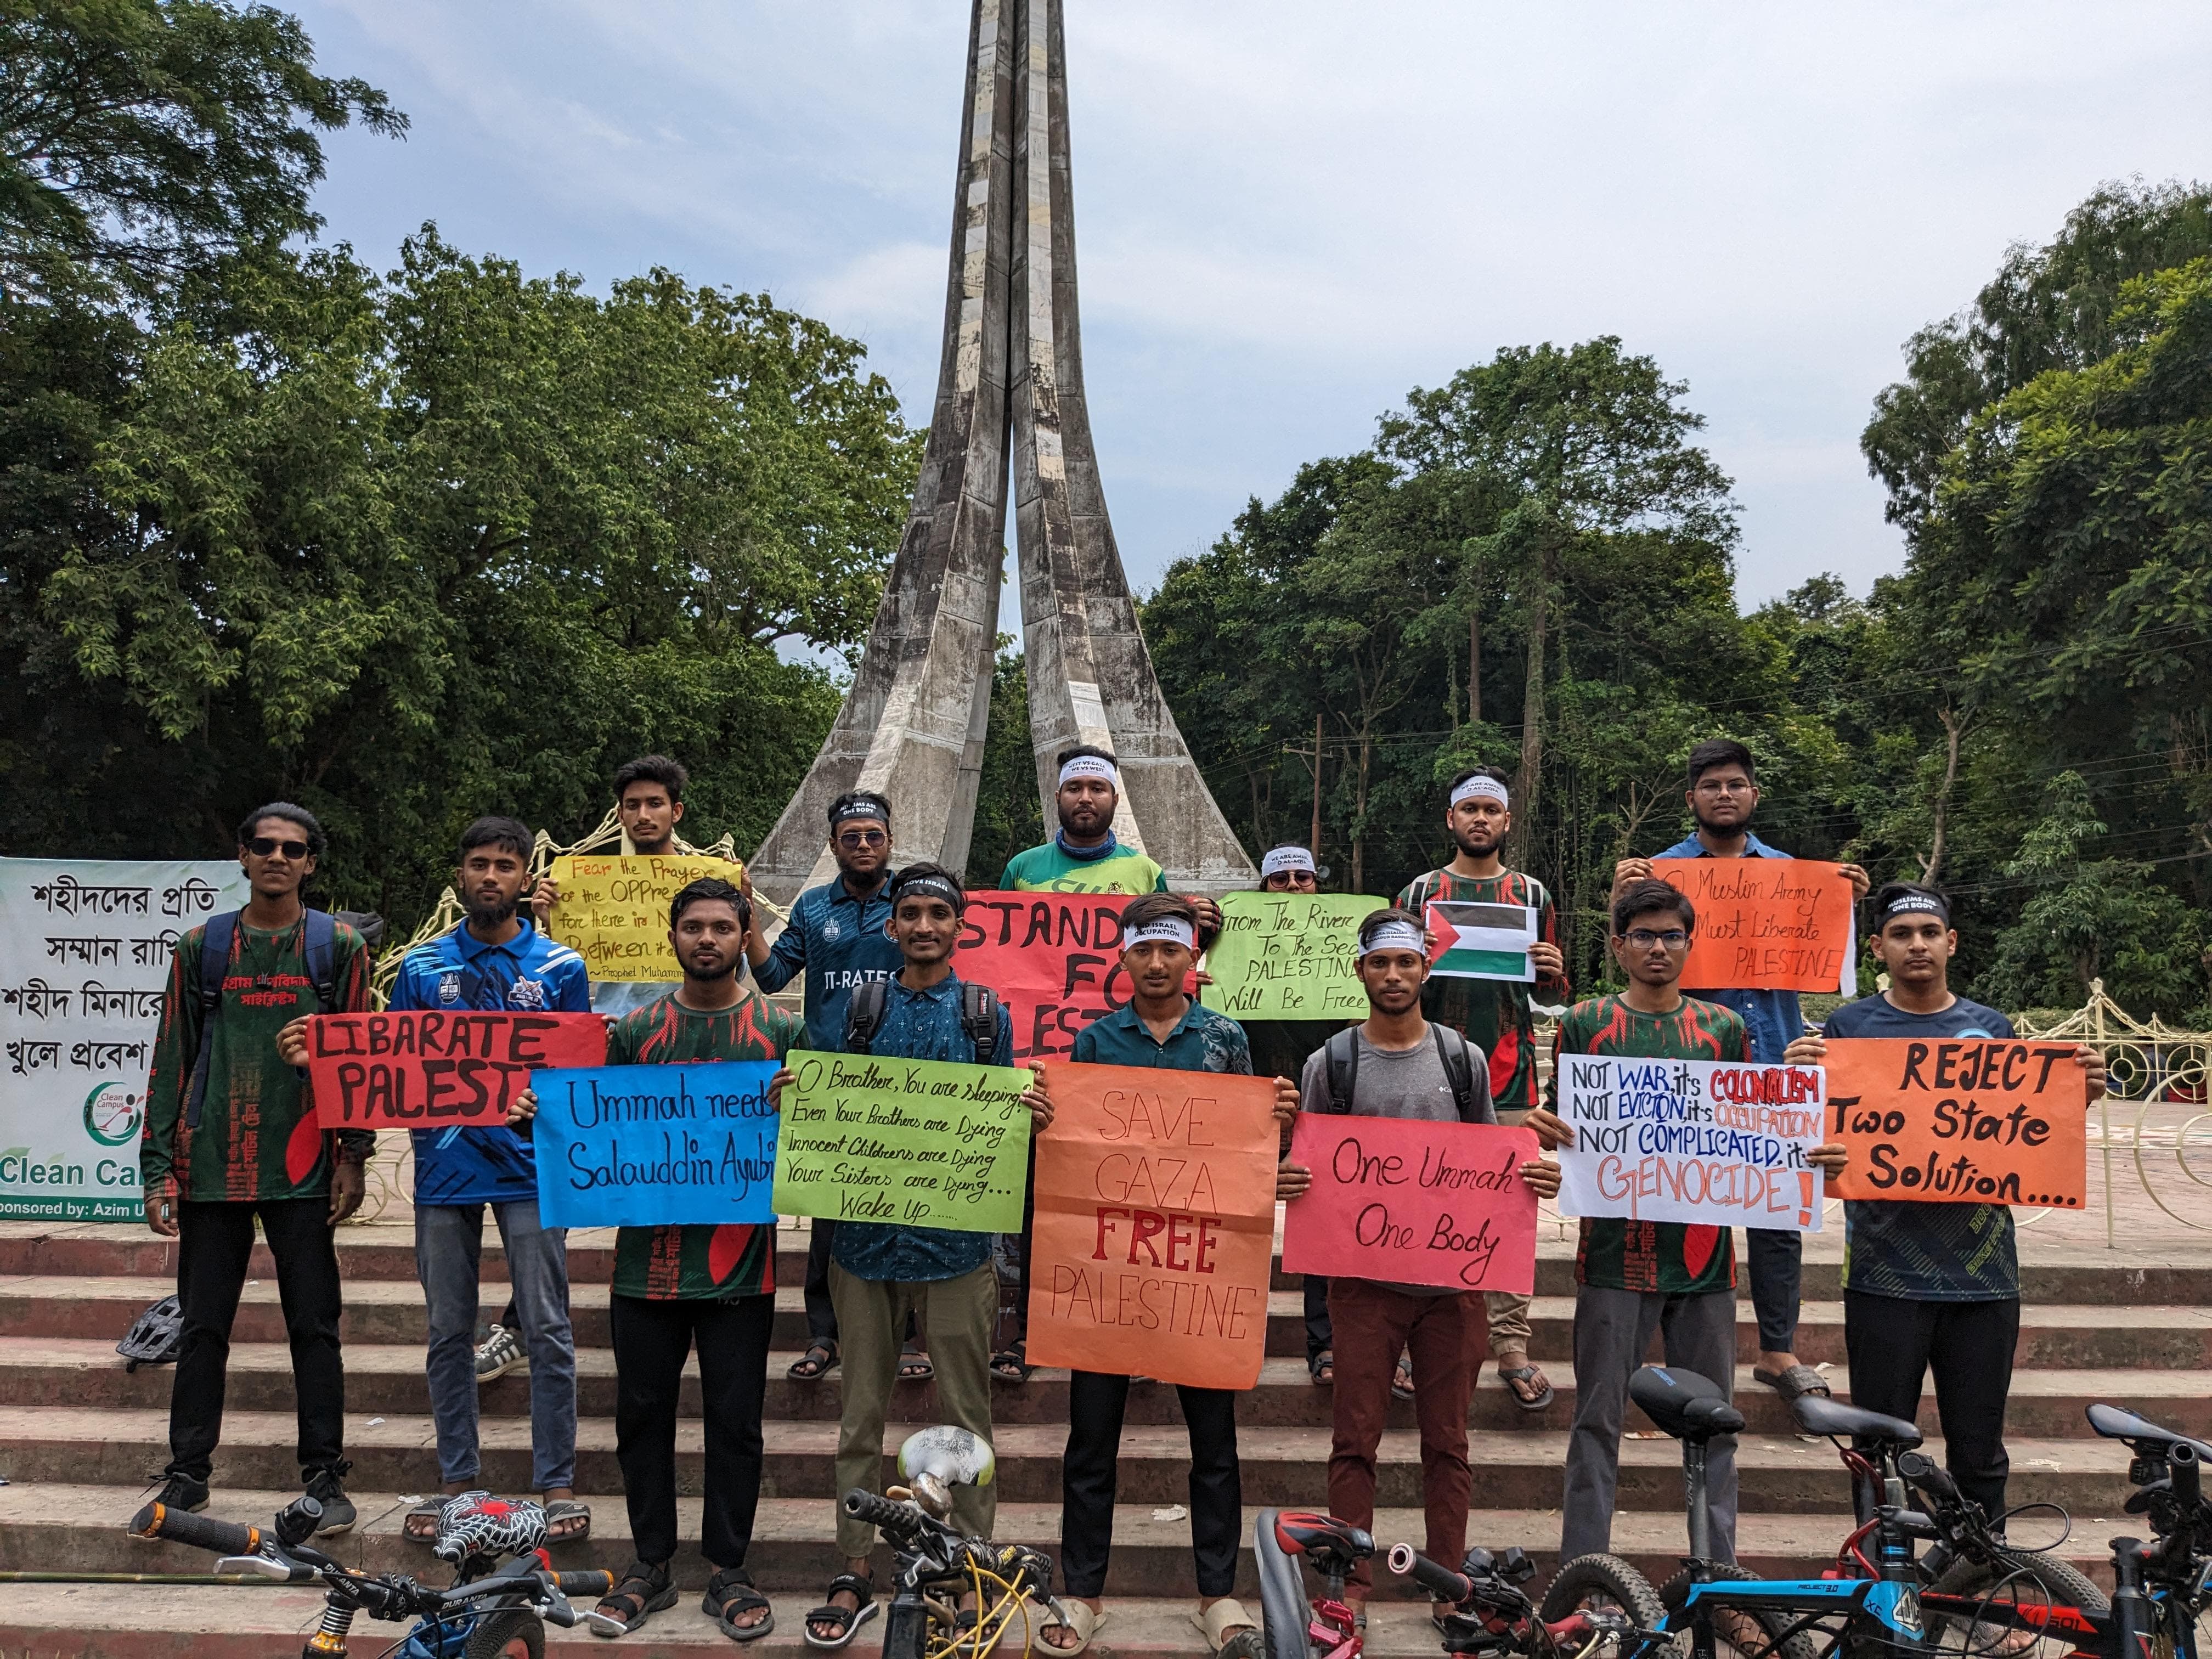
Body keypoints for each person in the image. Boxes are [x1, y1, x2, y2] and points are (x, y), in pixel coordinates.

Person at [1528, 878, 1849, 1563]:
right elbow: (1565, 1120)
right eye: (1643, 935)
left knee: (1714, 1426)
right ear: (1618, 946)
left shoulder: (1724, 1030)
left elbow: (1746, 1131)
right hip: (1614, 1254)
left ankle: (1717, 1575)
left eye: (1672, 935)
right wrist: (1547, 1133)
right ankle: (1584, 1574)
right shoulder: (1584, 1024)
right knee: (1596, 1421)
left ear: (1690, 945)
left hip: (1704, 1260)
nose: (1658, 948)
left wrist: (1803, 1137)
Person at [509, 877, 788, 1639]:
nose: (707, 940)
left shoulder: (779, 1034)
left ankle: (730, 1569)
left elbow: (814, 1147)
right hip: (645, 1269)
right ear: (672, 939)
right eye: (693, 927)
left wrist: (804, 1107)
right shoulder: (635, 1032)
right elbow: (594, 1122)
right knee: (641, 1420)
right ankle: (650, 1567)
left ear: (743, 935)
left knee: (737, 1424)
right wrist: (545, 1111)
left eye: (722, 928)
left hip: (740, 1269)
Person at [789, 862, 1053, 1650]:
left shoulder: (984, 1012)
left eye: (940, 912)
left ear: (959, 926)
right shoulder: (855, 1008)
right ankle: (855, 1563)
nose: (926, 925)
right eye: (912, 913)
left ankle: (969, 1560)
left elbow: (1000, 1115)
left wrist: (1027, 1115)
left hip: (959, 1249)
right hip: (865, 1248)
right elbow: (827, 1098)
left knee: (967, 1418)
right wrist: (794, 1096)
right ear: (893, 927)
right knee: (858, 1419)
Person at [1783, 883, 2107, 1523]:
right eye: (1902, 935)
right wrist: (1800, 1088)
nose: (1918, 945)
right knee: (1878, 1446)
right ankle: (1879, 1590)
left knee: (1980, 1450)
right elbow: (1807, 1142)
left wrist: (2076, 1099)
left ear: (1951, 943)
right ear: (1879, 948)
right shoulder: (1845, 1030)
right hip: (1884, 1272)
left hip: (1983, 1276)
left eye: (1930, 933)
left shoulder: (1992, 1030)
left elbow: (2019, 1132)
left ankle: (1980, 1586)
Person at [1041, 894, 1306, 1659]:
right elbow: (1069, 1149)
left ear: (1193, 959)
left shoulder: (1225, 1040)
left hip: (1201, 1276)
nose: (1157, 965)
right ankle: (1083, 1592)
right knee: (1090, 1444)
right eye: (1142, 951)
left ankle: (1217, 1595)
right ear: (1122, 959)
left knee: (1214, 1447)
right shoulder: (1092, 1043)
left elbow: (1249, 1156)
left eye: (1171, 951)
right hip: (1108, 1272)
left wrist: (1276, 1122)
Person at [1297, 907, 1561, 1611]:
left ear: (1424, 969)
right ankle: (1345, 1587)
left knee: (1449, 1443)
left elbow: (1488, 1168)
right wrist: (1290, 1179)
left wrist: (1531, 1177)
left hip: (1451, 1288)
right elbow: (1311, 1167)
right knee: (1354, 1439)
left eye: (1406, 962)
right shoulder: (1332, 1063)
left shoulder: (1461, 1059)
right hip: (1361, 1290)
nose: (1393, 975)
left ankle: (1449, 1587)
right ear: (1360, 972)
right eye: (1379, 963)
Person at [1612, 737, 1870, 1403]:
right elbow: (1634, 956)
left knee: (1779, 1213)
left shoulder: (1796, 874)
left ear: (1754, 795)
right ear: (1691, 798)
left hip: (1776, 1056)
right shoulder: (1657, 875)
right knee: (1675, 1200)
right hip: (1686, 1062)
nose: (1724, 795)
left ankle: (1778, 1351)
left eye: (1735, 784)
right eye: (1711, 786)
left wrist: (1847, 905)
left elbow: (1831, 966)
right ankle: (1668, 1347)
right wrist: (1624, 895)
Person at [144, 804, 373, 1532]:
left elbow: (360, 1059)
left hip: (304, 1168)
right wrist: (159, 1169)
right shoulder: (202, 948)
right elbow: (171, 1058)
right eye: (264, 846)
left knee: (315, 1324)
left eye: (294, 849)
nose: (278, 857)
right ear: (243, 856)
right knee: (203, 1327)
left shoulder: (336, 947)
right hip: (212, 1166)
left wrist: (354, 1155)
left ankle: (326, 1479)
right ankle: (187, 1475)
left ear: (311, 863)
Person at [386, 816, 593, 1545]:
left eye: (505, 865)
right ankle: (458, 1483)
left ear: (521, 876)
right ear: (461, 875)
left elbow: (578, 1073)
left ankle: (557, 1482)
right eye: (479, 864)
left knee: (547, 1327)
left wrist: (550, 1097)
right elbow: (390, 1069)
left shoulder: (562, 966)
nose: (491, 877)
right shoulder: (418, 970)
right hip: (444, 1169)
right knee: (448, 1329)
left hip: (533, 1171)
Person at [992, 746, 1220, 1381]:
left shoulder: (1144, 871)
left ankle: (1141, 1330)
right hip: (1045, 1067)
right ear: (1058, 799)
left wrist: (1212, 925)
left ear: (1114, 799)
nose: (1086, 798)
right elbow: (1001, 958)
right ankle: (1027, 1333)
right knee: (1046, 1205)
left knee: (1139, 1205)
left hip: (1137, 1067)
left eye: (1097, 787)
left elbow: (1171, 944)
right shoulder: (1023, 868)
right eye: (1075, 789)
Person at [488, 756, 698, 1383]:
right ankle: (521, 1321)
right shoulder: (581, 883)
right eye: (632, 805)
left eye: (655, 804)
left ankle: (680, 1313)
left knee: (678, 1175)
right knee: (562, 1180)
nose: (643, 815)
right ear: (620, 813)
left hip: (673, 1052)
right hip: (596, 1048)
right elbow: (552, 969)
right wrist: (552, 923)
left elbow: (729, 968)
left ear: (676, 812)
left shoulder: (703, 883)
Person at [1395, 766, 1569, 1412]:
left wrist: (1552, 971)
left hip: (1512, 1072)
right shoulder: (1419, 893)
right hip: (1428, 1070)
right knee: (1421, 1203)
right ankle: (1414, 1337)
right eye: (1467, 809)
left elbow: (1552, 995)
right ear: (1450, 819)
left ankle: (1512, 1343)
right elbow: (1392, 978)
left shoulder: (1532, 893)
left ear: (1506, 822)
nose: (1479, 819)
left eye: (1489, 810)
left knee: (1509, 1212)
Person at [744, 789, 906, 1385]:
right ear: (833, 845)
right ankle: (825, 1332)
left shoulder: (912, 900)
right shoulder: (813, 908)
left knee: (904, 1203)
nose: (863, 845)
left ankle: (905, 1334)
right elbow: (772, 974)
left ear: (890, 840)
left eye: (874, 836)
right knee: (829, 1211)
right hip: (828, 1079)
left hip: (902, 1080)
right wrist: (745, 917)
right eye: (851, 837)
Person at [1240, 844, 1361, 1387]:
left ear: (1318, 886)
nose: (1292, 888)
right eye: (1279, 879)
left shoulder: (1344, 947)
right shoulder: (1234, 943)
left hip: (1328, 1100)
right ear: (1262, 890)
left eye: (1303, 878)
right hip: (1251, 1099)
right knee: (1242, 1223)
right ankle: (1230, 1332)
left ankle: (1327, 1343)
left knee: (1322, 1223)